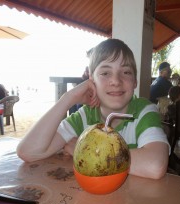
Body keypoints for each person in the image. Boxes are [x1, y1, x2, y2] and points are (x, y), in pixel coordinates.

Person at [17, 39, 170, 180]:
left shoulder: (144, 112)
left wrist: (82, 149)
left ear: (135, 81)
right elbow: (28, 151)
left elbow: (154, 165)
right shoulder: (85, 116)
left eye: (126, 72)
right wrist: (68, 99)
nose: (116, 81)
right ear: (92, 79)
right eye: (105, 73)